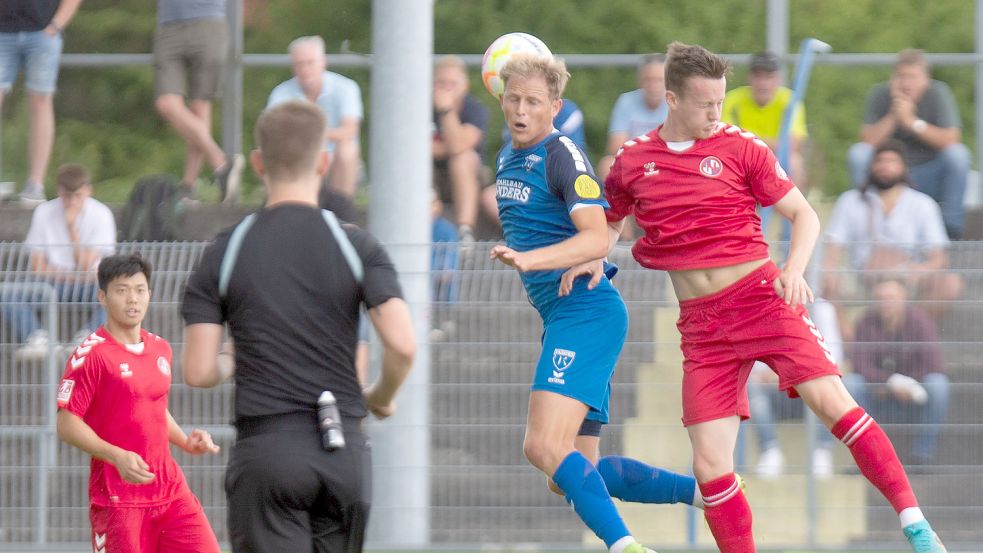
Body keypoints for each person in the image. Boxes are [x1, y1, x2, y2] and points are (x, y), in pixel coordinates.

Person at [589, 41, 946, 552]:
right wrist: (587, 258)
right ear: (671, 99)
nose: (716, 113)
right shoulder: (632, 161)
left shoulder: (743, 149)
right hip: (702, 326)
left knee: (833, 404)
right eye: (704, 104)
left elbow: (805, 215)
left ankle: (916, 526)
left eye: (720, 101)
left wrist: (795, 268)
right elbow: (610, 225)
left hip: (762, 298)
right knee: (711, 466)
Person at [180, 100, 415, 552]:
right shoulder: (355, 244)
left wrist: (230, 359)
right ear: (325, 162)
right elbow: (403, 346)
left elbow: (197, 371)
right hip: (342, 448)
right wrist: (380, 398)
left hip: (268, 451)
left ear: (258, 163)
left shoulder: (226, 251)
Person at [490, 53, 699, 553]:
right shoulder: (507, 156)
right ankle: (709, 492)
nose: (521, 109)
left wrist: (530, 258)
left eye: (534, 101)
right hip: (567, 315)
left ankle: (624, 547)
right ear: (502, 100)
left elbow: (596, 240)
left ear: (555, 107)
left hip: (585, 312)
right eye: (513, 98)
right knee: (565, 474)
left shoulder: (562, 154)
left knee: (541, 446)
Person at [55, 253, 222, 553]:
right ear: (102, 297)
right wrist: (116, 456)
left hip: (170, 492)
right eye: (122, 290)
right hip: (119, 501)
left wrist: (185, 441)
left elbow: (154, 406)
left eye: (139, 289)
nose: (132, 299)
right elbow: (66, 423)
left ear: (150, 294)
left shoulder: (160, 348)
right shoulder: (91, 355)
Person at [823, 140, 963, 328]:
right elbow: (833, 245)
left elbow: (939, 257)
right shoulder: (850, 201)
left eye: (892, 161)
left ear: (904, 168)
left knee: (951, 283)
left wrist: (917, 271)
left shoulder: (923, 204)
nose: (885, 166)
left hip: (906, 279)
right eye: (880, 161)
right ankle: (850, 345)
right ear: (871, 167)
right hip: (861, 277)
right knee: (824, 281)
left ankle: (911, 333)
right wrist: (829, 272)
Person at [847, 49, 970, 239]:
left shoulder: (938, 93)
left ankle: (950, 230)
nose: (905, 83)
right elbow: (868, 140)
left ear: (926, 79)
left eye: (912, 77)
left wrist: (912, 122)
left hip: (929, 172)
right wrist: (895, 115)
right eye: (900, 76)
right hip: (889, 173)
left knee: (959, 155)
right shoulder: (880, 94)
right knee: (858, 153)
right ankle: (866, 221)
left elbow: (951, 139)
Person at [1, 164, 115, 361]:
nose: (72, 202)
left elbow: (87, 266)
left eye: (78, 196)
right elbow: (37, 267)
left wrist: (72, 229)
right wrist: (70, 277)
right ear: (59, 190)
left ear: (88, 190)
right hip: (53, 284)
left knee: (115, 294)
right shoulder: (44, 212)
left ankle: (87, 339)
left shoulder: (101, 214)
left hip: (88, 286)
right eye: (67, 196)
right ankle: (36, 337)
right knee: (6, 293)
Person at [846, 278, 950, 466]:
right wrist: (890, 382)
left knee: (938, 384)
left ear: (904, 298)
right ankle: (868, 456)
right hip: (878, 394)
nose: (886, 302)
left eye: (891, 297)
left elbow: (933, 362)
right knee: (852, 383)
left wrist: (908, 385)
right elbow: (859, 363)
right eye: (880, 297)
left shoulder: (920, 321)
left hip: (915, 397)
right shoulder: (864, 323)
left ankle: (922, 454)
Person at [153, 0, 243, 202]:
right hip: (169, 26)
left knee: (199, 107)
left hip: (208, 21)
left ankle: (189, 186)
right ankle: (220, 162)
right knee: (166, 103)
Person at [0, 0, 82, 203]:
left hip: (42, 30)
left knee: (40, 101)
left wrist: (56, 25)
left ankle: (35, 184)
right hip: (3, 31)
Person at [723, 51, 808, 240]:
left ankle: (791, 230)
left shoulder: (790, 101)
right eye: (758, 75)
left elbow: (792, 144)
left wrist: (748, 137)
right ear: (749, 77)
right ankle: (731, 231)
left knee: (795, 163)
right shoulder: (733, 99)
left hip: (775, 163)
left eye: (768, 76)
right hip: (741, 164)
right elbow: (725, 142)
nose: (763, 82)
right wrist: (771, 142)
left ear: (777, 79)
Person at [267, 35, 363, 200]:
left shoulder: (346, 87)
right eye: (299, 64)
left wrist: (308, 136)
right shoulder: (281, 93)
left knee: (348, 149)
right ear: (293, 67)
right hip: (299, 160)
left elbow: (350, 131)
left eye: (310, 62)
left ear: (323, 62)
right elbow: (273, 134)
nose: (305, 69)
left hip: (334, 162)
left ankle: (344, 213)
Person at [482, 97, 587, 227]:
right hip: (525, 181)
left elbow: (569, 162)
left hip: (560, 186)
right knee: (490, 196)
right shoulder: (516, 115)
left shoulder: (568, 111)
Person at [432, 55, 489, 243]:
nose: (447, 89)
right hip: (432, 176)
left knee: (462, 159)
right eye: (442, 83)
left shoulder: (474, 109)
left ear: (464, 86)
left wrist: (446, 110)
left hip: (470, 179)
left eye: (452, 83)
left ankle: (465, 231)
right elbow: (412, 148)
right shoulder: (421, 107)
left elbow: (459, 147)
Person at [596, 54, 668, 183]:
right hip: (633, 161)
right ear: (639, 80)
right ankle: (611, 203)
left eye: (659, 80)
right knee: (607, 164)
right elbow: (615, 147)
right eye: (648, 79)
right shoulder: (626, 101)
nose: (653, 85)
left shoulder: (676, 104)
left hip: (667, 161)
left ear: (669, 81)